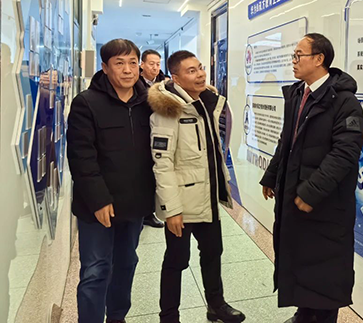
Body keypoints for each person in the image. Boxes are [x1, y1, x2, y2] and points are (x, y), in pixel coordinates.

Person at [260, 33, 363, 323]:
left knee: (326, 270)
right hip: (296, 197)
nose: (293, 61)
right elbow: (287, 141)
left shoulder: (344, 102)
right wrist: (272, 175)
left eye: (299, 55)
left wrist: (311, 192)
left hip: (325, 204)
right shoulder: (297, 94)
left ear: (319, 59)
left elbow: (345, 154)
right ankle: (304, 314)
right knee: (299, 259)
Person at [148, 50, 245, 323]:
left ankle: (216, 306)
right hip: (182, 204)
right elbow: (162, 164)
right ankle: (169, 316)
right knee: (177, 261)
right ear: (176, 78)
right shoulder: (167, 111)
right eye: (191, 71)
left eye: (200, 68)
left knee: (213, 254)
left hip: (207, 198)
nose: (201, 74)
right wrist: (172, 210)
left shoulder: (205, 103)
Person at [67, 39, 155, 323]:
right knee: (95, 270)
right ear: (105, 67)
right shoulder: (86, 103)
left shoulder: (149, 102)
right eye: (119, 63)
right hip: (97, 206)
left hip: (134, 203)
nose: (128, 70)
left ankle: (117, 317)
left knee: (126, 263)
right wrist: (99, 200)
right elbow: (81, 157)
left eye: (132, 63)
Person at [140, 49, 167, 228]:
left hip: (160, 131)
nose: (155, 67)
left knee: (155, 174)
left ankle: (150, 213)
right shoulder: (135, 83)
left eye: (158, 64)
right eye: (151, 64)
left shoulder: (165, 84)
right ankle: (142, 213)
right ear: (142, 64)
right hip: (141, 131)